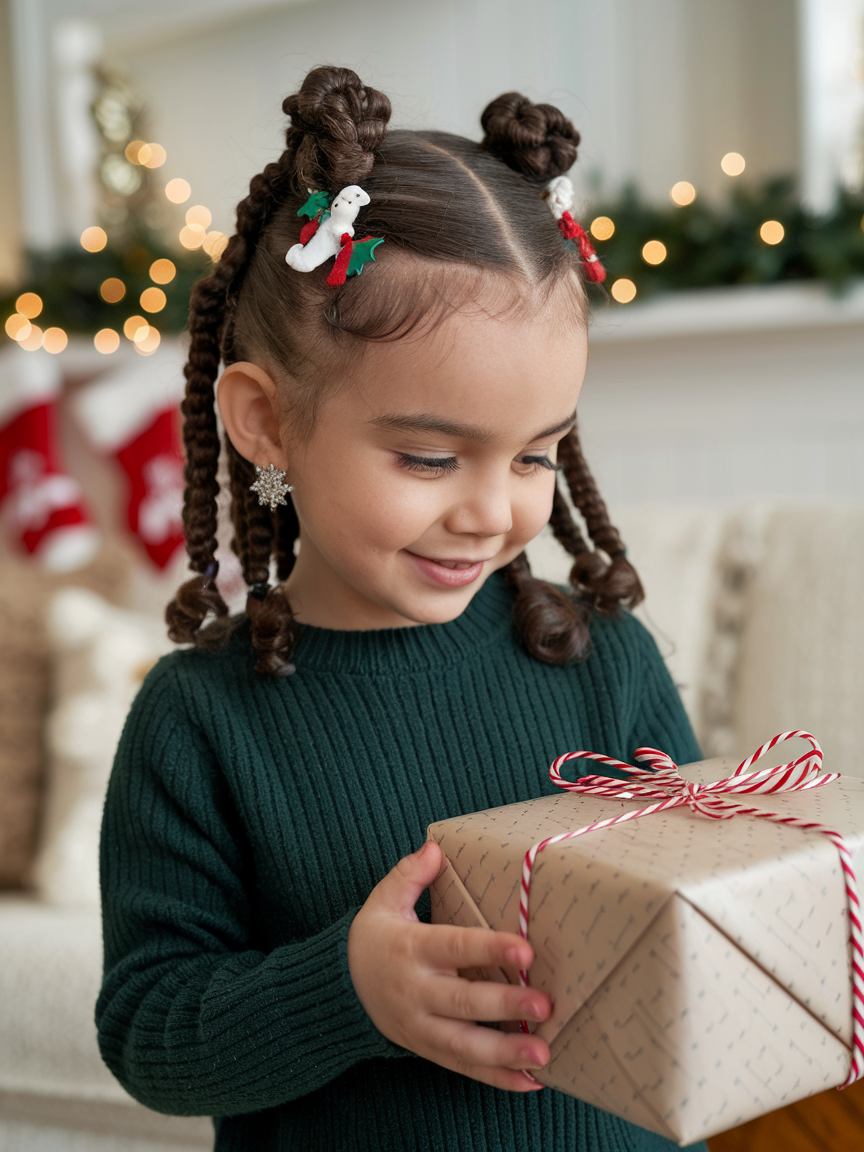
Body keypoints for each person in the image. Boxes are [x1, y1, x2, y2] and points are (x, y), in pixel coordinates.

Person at [95, 65, 704, 1152]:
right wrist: (349, 994)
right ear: (267, 425)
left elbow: (693, 934)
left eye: (534, 455)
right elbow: (148, 1033)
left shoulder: (604, 662)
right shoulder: (199, 722)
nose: (489, 510)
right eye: (429, 456)